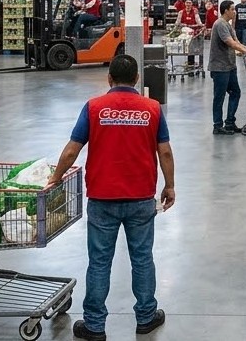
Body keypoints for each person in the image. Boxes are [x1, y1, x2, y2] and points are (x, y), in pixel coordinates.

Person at [49, 55, 175, 340]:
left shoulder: (94, 107)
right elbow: (164, 151)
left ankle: (94, 325)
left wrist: (55, 178)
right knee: (142, 258)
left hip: (102, 199)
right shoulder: (152, 108)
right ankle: (146, 317)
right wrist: (170, 185)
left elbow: (72, 150)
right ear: (137, 79)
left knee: (99, 261)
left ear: (109, 79)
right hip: (141, 197)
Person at [209, 0, 246, 135]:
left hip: (229, 66)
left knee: (236, 92)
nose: (235, 12)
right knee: (219, 96)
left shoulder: (228, 25)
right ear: (226, 10)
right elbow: (229, 42)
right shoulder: (220, 24)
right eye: (233, 9)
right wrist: (244, 51)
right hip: (220, 67)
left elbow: (236, 42)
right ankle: (217, 125)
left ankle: (229, 122)